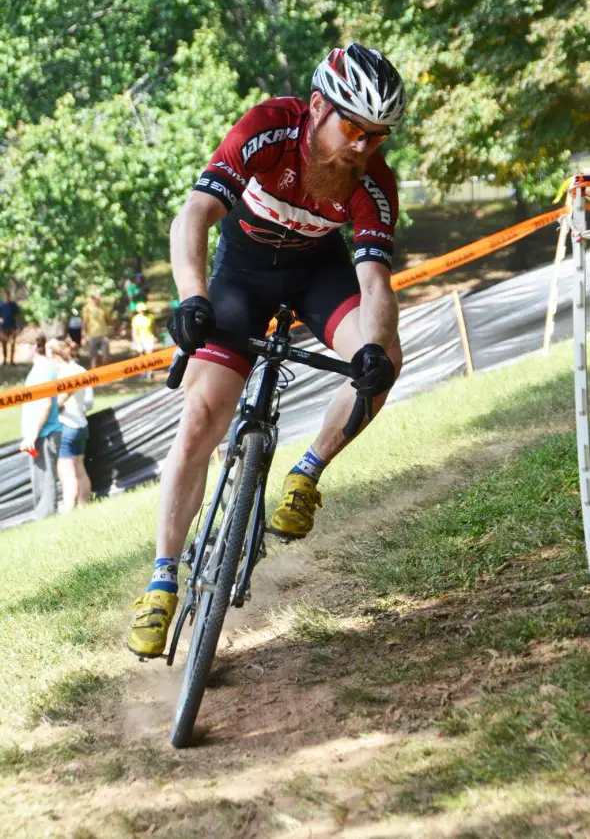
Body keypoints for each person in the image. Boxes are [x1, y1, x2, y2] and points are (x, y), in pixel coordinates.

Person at [128, 43, 406, 657]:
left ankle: (307, 473)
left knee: (383, 361)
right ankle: (162, 578)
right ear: (316, 107)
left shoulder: (373, 183)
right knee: (201, 418)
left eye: (378, 136)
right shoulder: (267, 129)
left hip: (317, 275)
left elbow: (373, 283)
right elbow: (194, 215)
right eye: (354, 128)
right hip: (243, 275)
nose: (364, 147)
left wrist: (373, 351)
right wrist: (191, 296)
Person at [47, 338, 93, 512]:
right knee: (79, 467)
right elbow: (88, 400)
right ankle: (83, 506)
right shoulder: (80, 369)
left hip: (67, 424)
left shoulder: (63, 373)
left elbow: (64, 396)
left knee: (68, 472)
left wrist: (56, 405)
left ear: (54, 354)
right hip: (81, 423)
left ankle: (68, 508)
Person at [20, 333, 62, 520]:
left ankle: (47, 518)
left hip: (45, 433)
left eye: (23, 346)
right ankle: (41, 516)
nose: (20, 350)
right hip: (37, 434)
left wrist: (33, 434)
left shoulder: (45, 368)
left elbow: (45, 404)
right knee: (38, 478)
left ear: (34, 346)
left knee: (46, 479)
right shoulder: (38, 368)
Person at [81, 290, 111, 368]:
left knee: (105, 356)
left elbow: (109, 320)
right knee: (94, 357)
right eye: (98, 297)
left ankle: (105, 374)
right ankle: (94, 376)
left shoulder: (103, 307)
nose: (99, 299)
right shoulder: (87, 308)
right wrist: (84, 336)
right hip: (92, 335)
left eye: (100, 297)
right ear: (93, 298)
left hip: (103, 334)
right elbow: (85, 322)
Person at [0, 288, 20, 365]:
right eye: (5, 295)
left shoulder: (13, 305)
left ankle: (12, 360)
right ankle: (4, 360)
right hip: (3, 328)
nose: (6, 296)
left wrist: (18, 326)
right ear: (3, 296)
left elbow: (17, 316)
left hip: (12, 327)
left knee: (12, 344)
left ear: (10, 296)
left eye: (8, 295)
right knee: (3, 344)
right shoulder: (1, 305)